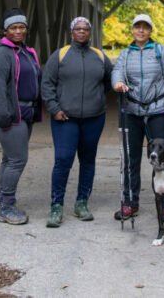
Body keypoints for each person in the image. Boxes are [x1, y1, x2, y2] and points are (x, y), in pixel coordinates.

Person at [41, 16, 113, 228]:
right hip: (65, 119)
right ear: (72, 32)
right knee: (63, 160)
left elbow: (109, 81)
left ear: (90, 33)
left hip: (94, 118)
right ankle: (56, 206)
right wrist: (55, 109)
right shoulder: (60, 55)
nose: (82, 32)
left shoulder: (99, 56)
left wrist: (96, 99)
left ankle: (82, 202)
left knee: (88, 161)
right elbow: (47, 84)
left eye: (86, 29)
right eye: (78, 29)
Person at [111, 13, 164, 221]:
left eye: (145, 27)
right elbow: (117, 72)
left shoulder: (161, 52)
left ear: (150, 31)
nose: (141, 30)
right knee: (131, 158)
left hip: (157, 110)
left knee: (162, 159)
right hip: (131, 111)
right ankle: (130, 202)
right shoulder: (125, 54)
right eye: (137, 27)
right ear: (132, 30)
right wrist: (117, 83)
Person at [0, 7, 42, 225]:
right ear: (5, 30)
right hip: (11, 113)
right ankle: (6, 205)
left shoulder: (26, 51)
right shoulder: (1, 52)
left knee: (10, 159)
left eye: (21, 27)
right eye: (13, 27)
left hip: (26, 112)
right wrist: (4, 115)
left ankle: (1, 201)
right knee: (18, 159)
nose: (18, 31)